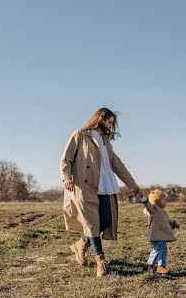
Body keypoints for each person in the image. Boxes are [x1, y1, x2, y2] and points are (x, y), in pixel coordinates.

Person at [60, 107, 141, 277]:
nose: (111, 126)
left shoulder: (105, 140)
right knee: (92, 224)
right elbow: (66, 158)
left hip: (105, 186)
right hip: (85, 187)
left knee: (106, 221)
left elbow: (116, 163)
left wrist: (132, 184)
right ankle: (100, 261)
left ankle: (81, 245)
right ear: (100, 119)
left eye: (112, 123)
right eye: (109, 122)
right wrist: (66, 177)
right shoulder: (80, 134)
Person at [138, 189, 180, 274]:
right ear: (158, 202)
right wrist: (143, 198)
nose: (166, 202)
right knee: (162, 249)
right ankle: (161, 266)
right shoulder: (153, 210)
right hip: (156, 234)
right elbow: (147, 205)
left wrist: (174, 224)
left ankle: (149, 265)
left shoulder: (162, 211)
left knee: (156, 249)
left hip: (158, 235)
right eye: (164, 200)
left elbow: (165, 222)